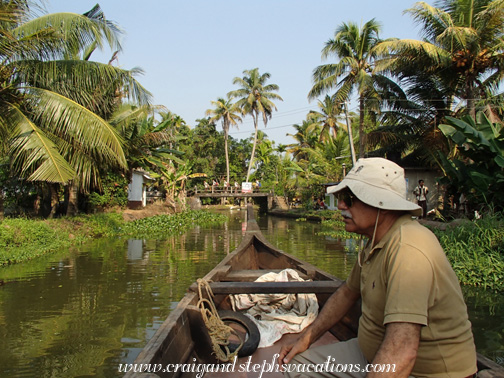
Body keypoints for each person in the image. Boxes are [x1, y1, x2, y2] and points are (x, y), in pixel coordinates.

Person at [279, 158, 477, 378]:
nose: (342, 206)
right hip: (368, 353)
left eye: (350, 199)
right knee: (296, 366)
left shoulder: (407, 249)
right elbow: (347, 292)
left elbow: (402, 349)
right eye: (342, 198)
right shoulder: (374, 240)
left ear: (381, 204)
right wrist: (305, 338)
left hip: (424, 371)